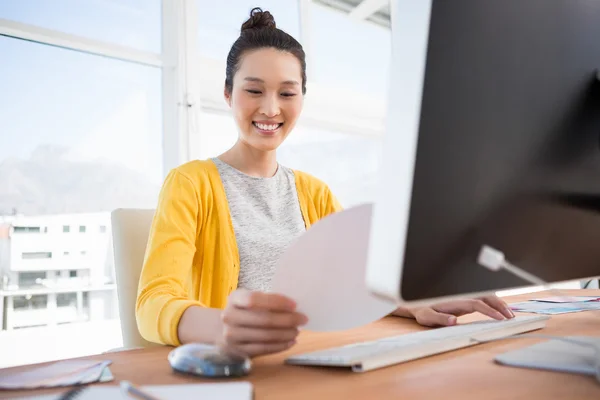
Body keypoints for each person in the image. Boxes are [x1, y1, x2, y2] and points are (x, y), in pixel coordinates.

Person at [136, 7, 515, 358]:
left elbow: (355, 285)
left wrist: (414, 302)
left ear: (302, 97)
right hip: (238, 369)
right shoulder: (190, 183)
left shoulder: (314, 192)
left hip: (318, 357)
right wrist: (221, 325)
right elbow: (153, 301)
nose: (270, 108)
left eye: (287, 92)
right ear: (227, 93)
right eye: (254, 90)